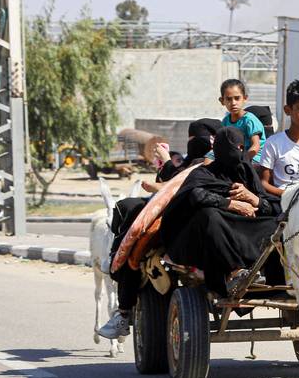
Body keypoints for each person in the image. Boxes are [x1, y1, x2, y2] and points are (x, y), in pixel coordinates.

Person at [97, 119, 220, 339]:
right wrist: (166, 167)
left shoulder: (211, 162)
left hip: (185, 223)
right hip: (184, 216)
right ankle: (117, 262)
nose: (193, 144)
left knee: (137, 238)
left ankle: (123, 310)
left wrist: (166, 166)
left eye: (196, 140)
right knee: (128, 210)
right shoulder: (197, 160)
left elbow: (182, 186)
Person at [161, 126, 283, 297]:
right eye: (234, 148)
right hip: (199, 242)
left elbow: (271, 206)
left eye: (240, 147)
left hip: (244, 233)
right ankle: (234, 271)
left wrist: (253, 199)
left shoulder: (247, 172)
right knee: (210, 215)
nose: (238, 152)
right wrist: (231, 204)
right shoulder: (203, 173)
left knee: (276, 224)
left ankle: (277, 282)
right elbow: (195, 195)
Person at [219, 79, 267, 162]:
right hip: (236, 158)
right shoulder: (225, 121)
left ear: (245, 98)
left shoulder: (250, 120)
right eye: (229, 99)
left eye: (237, 98)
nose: (233, 103)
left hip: (254, 160)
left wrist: (242, 162)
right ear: (222, 101)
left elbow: (255, 147)